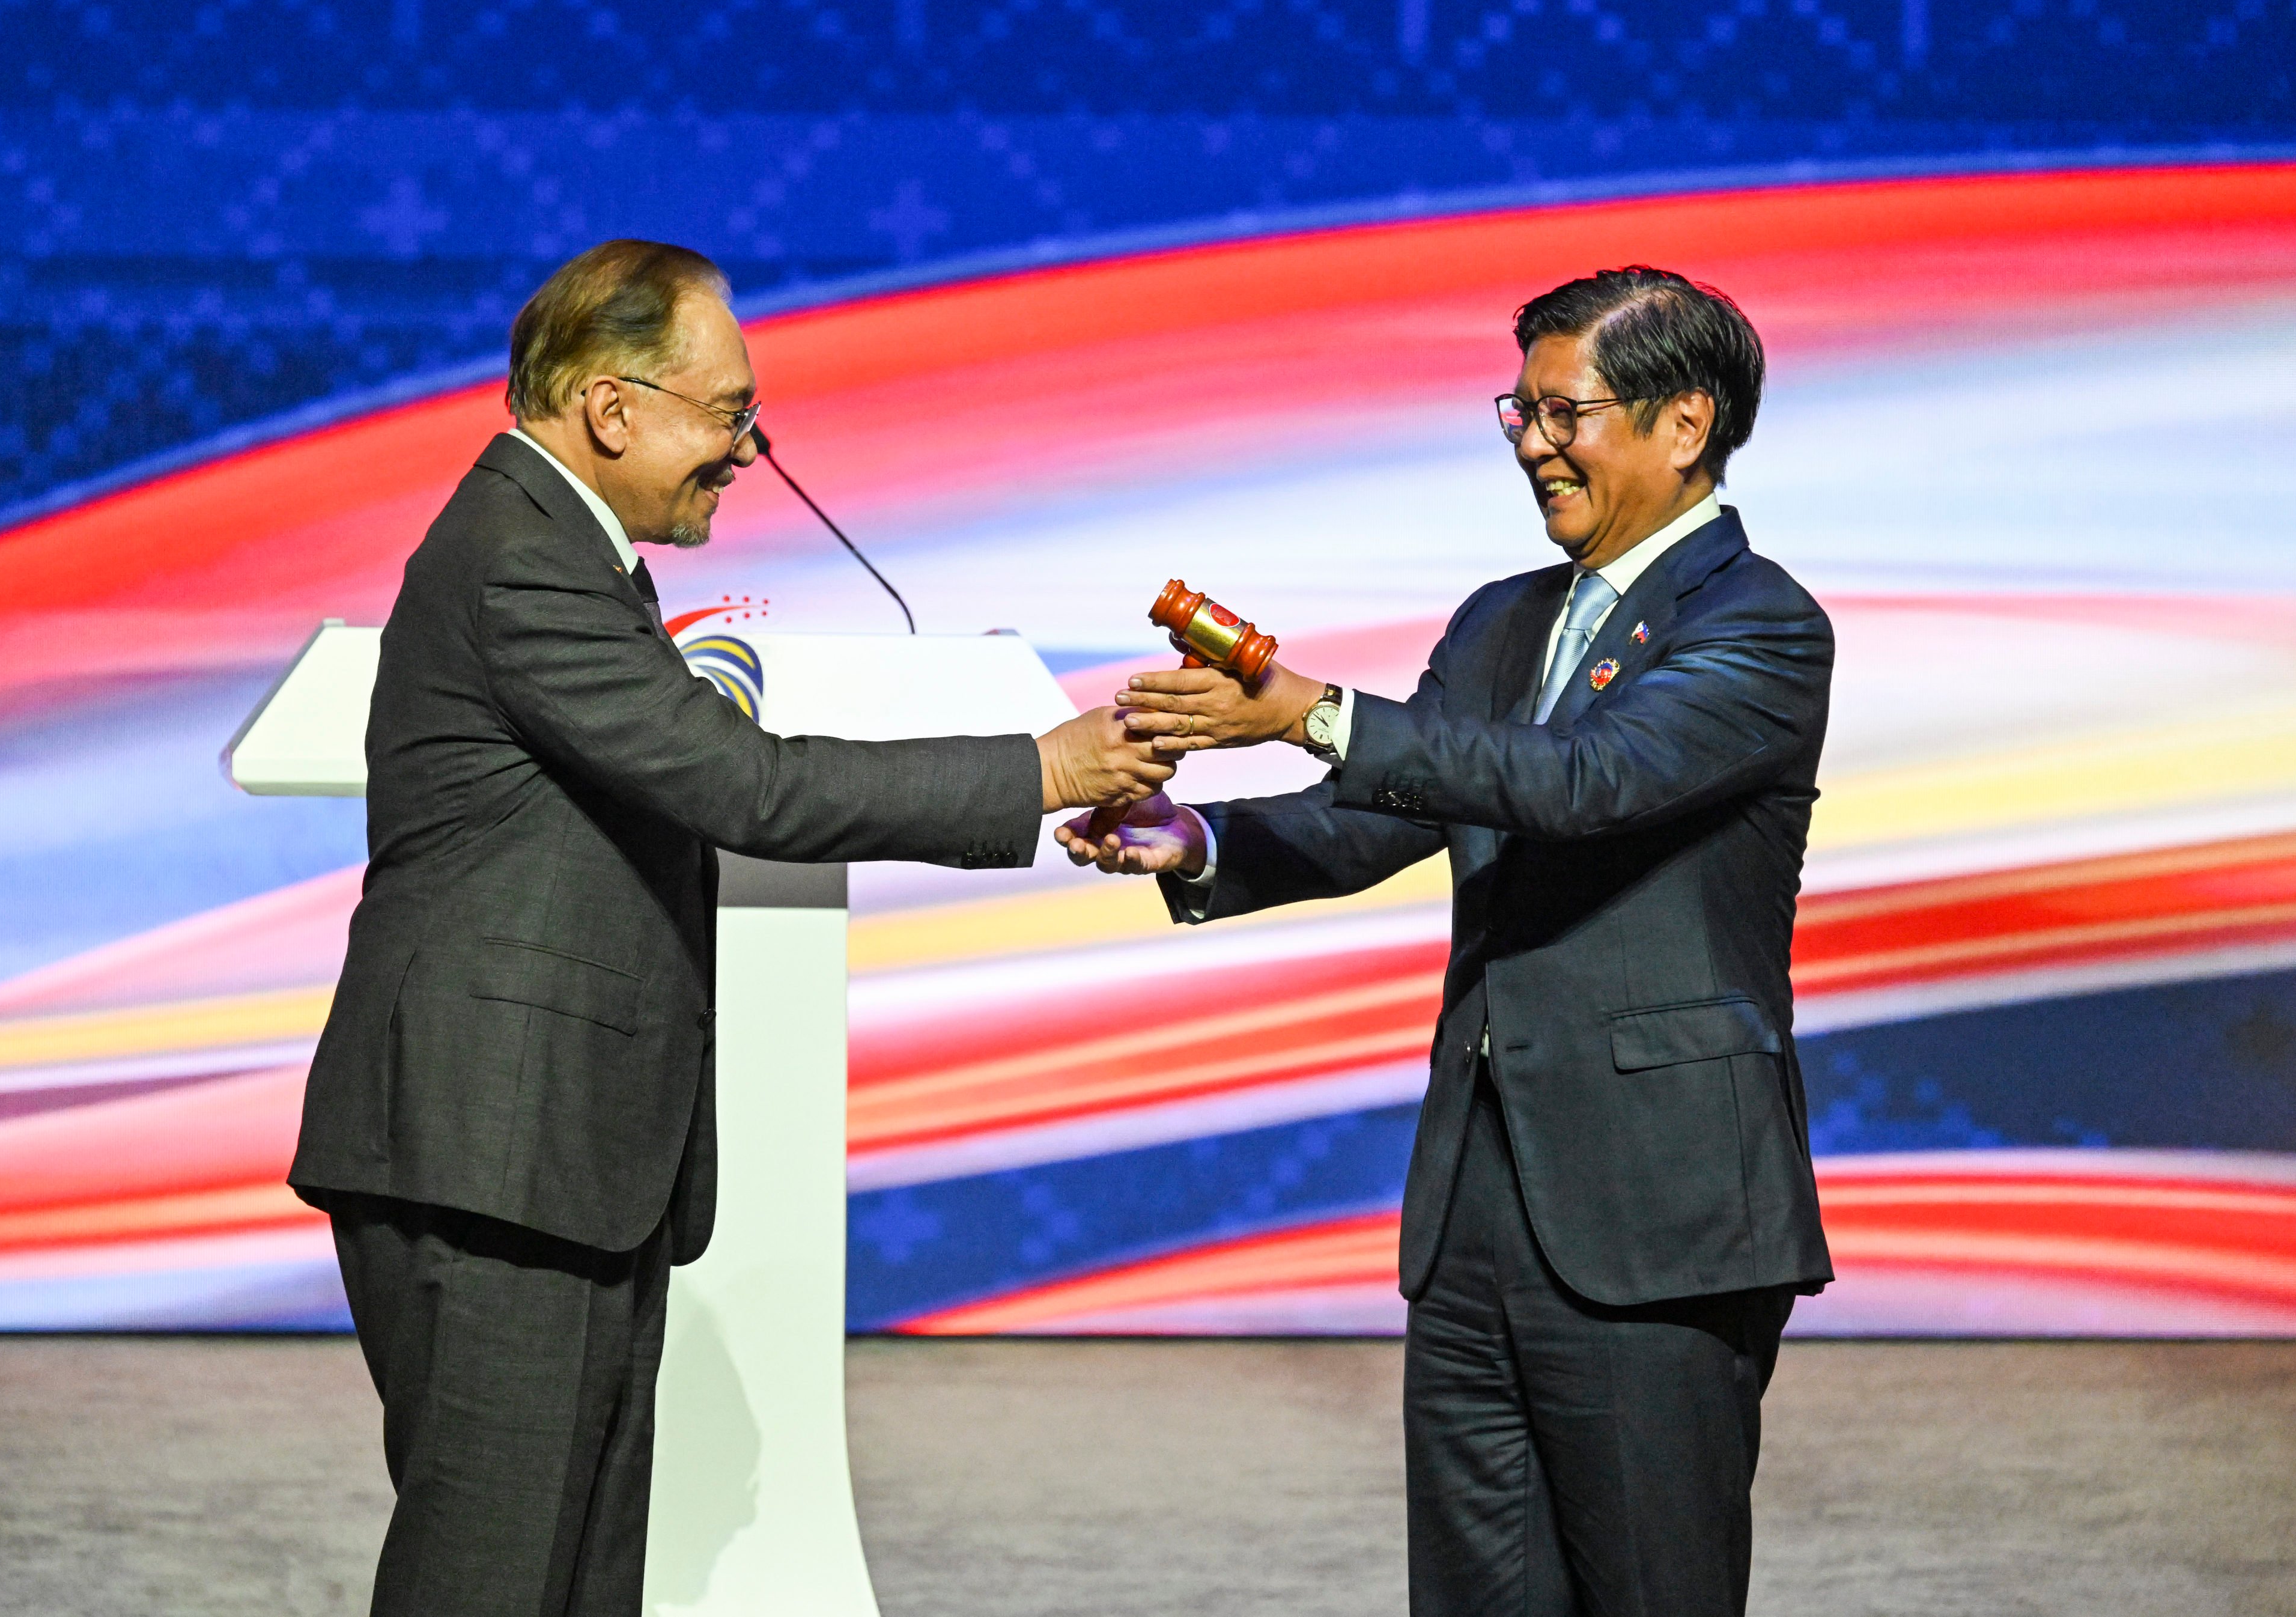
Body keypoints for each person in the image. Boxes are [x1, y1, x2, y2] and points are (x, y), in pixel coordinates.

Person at [290, 239, 1172, 1617]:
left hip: (550, 1159)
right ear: (611, 408)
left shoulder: (563, 551)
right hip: (493, 1155)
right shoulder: (522, 560)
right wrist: (1040, 770)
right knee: (494, 1576)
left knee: (575, 1576)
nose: (749, 450)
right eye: (729, 412)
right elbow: (741, 785)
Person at [1066, 266, 1833, 1616]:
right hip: (1476, 1200)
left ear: (1685, 423)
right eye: (1518, 413)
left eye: (1565, 412)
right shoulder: (1500, 619)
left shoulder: (1758, 624)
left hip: (1656, 1210)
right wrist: (1193, 842)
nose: (1533, 445)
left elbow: (1588, 782)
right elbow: (1387, 817)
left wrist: (1311, 711)